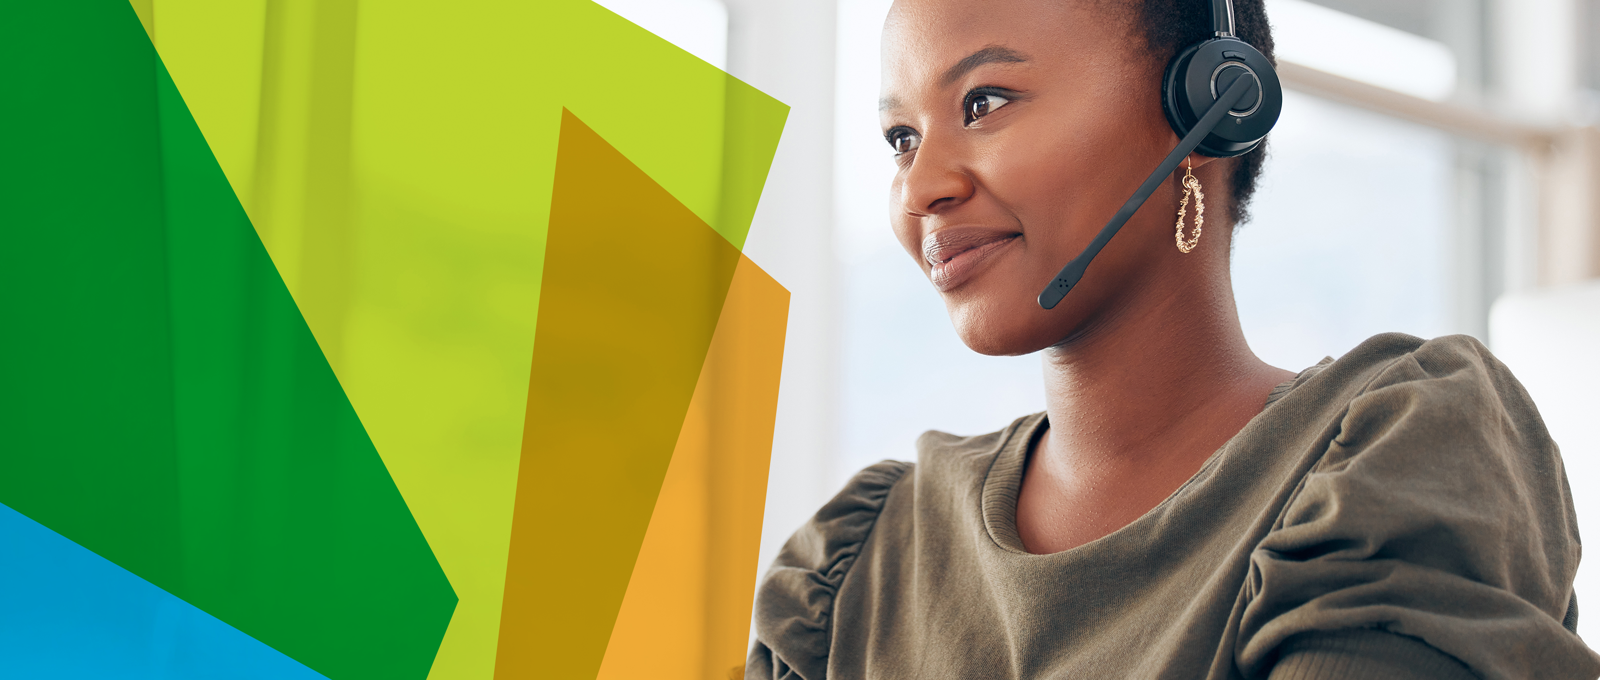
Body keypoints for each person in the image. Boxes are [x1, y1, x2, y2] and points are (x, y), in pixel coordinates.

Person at [745, 0, 1600, 677]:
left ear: (1210, 106)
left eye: (985, 103)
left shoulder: (1403, 458)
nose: (921, 187)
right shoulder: (855, 567)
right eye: (902, 138)